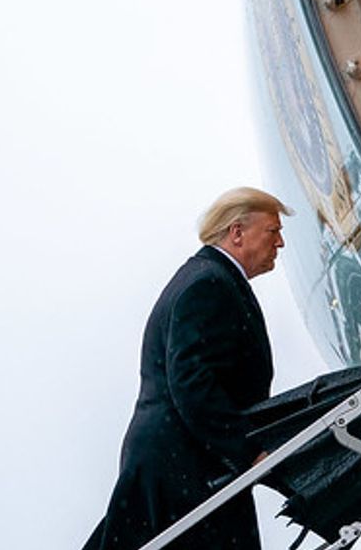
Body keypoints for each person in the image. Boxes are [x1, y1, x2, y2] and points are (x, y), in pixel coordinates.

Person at [83, 187, 292, 550]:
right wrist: (248, 451)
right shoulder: (209, 283)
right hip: (185, 470)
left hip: (190, 465)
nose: (281, 243)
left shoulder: (208, 278)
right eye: (273, 231)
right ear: (237, 232)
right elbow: (192, 382)